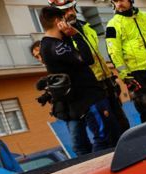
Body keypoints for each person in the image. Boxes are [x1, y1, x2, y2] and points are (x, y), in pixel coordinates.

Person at [47, 0, 130, 137]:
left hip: (107, 81)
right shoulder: (61, 38)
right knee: (107, 130)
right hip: (92, 87)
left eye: (71, 8)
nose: (70, 13)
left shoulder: (86, 27)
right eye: (65, 11)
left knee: (122, 124)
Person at [39, 6, 115, 155]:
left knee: (102, 136)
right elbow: (87, 59)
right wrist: (76, 35)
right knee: (103, 137)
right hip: (87, 98)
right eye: (63, 20)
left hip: (83, 98)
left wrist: (67, 36)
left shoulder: (52, 44)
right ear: (57, 21)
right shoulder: (55, 46)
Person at [105, 0, 146, 122]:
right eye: (115, 1)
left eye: (122, 0)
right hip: (135, 75)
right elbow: (114, 53)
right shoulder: (112, 25)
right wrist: (125, 76)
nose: (118, 4)